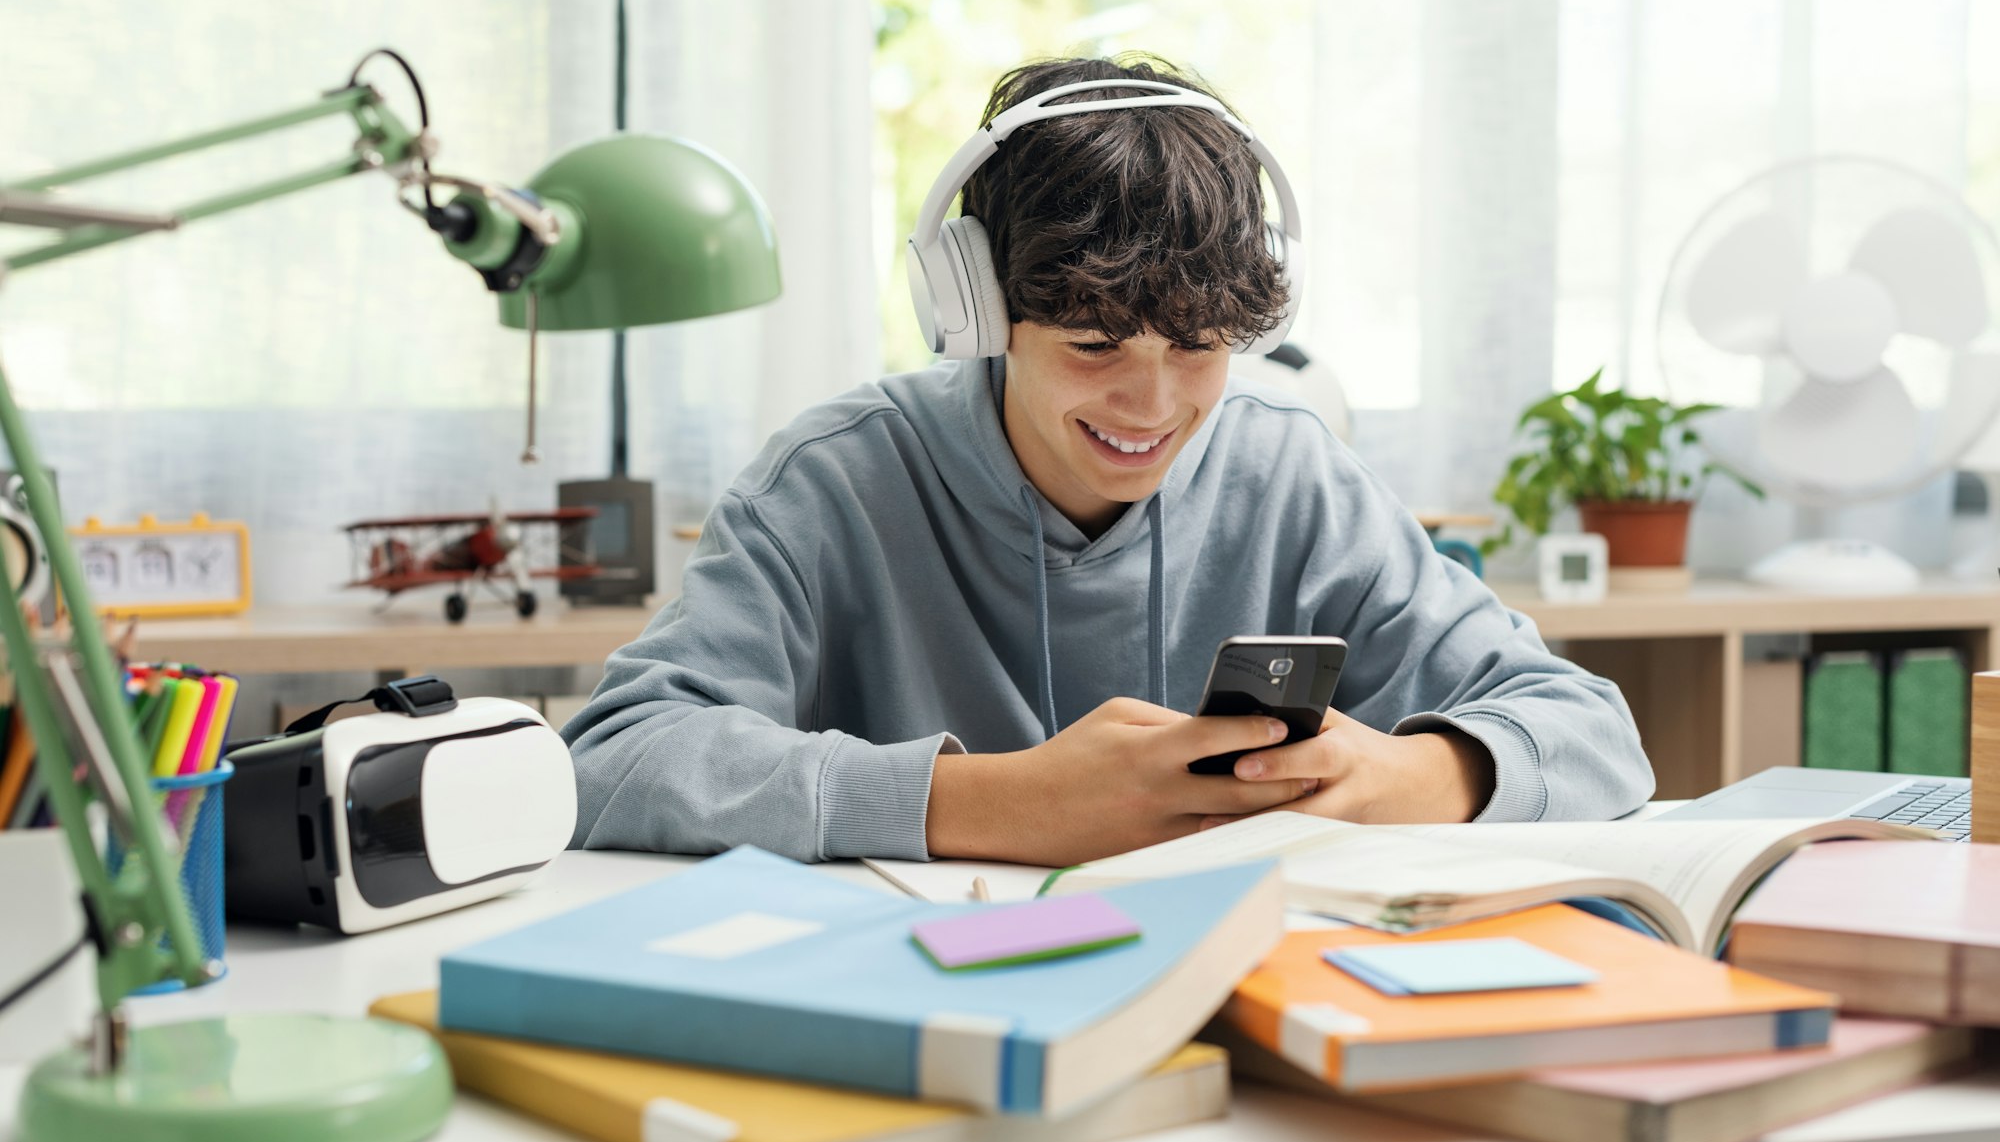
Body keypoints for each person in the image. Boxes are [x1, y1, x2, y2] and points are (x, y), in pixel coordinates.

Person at [565, 53, 1653, 867]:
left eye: (1197, 348)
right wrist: (989, 802)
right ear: (979, 314)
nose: (1153, 402)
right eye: (1094, 347)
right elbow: (613, 756)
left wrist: (1410, 774)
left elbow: (1593, 734)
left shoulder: (1291, 477)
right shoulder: (832, 481)